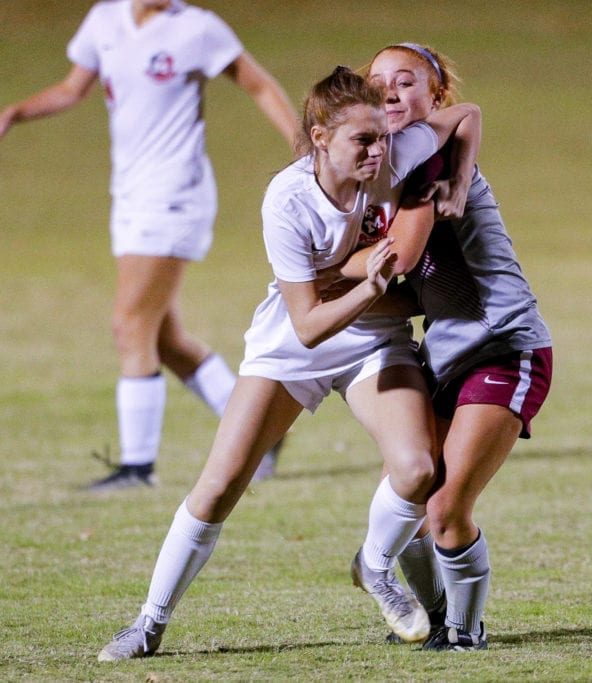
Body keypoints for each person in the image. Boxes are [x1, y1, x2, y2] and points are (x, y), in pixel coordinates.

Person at [95, 66, 482, 661]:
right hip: (293, 347)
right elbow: (306, 327)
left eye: (382, 136)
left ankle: (377, 569)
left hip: (375, 340)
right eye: (364, 140)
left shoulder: (395, 151)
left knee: (415, 469)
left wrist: (455, 177)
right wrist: (370, 287)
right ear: (320, 136)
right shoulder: (288, 198)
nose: (380, 151)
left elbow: (463, 115)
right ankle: (149, 623)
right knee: (220, 485)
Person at [0, 0, 299, 488]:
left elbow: (258, 83)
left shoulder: (197, 29)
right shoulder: (104, 20)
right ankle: (260, 431)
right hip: (130, 196)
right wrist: (15, 112)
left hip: (175, 194)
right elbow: (73, 88)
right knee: (164, 338)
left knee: (130, 324)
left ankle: (138, 467)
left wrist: (302, 147)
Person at [331, 43, 553, 651]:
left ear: (434, 100)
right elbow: (409, 290)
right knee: (408, 485)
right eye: (378, 82)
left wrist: (319, 268)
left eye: (408, 82)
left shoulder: (428, 166)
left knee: (446, 504)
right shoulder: (386, 172)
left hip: (504, 348)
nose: (392, 91)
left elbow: (397, 259)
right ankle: (429, 614)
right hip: (446, 355)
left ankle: (465, 630)